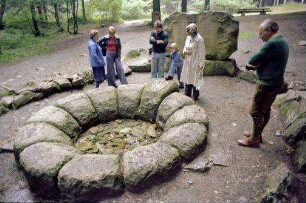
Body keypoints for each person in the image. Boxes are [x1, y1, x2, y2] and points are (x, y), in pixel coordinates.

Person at [238, 19, 289, 148]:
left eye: (261, 33)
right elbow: (270, 61)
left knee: (256, 111)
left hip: (266, 83)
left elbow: (253, 59)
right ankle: (257, 133)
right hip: (276, 82)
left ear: (269, 31)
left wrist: (254, 64)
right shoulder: (282, 40)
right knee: (265, 109)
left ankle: (254, 139)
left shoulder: (272, 44)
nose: (259, 35)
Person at [180, 23, 206, 101]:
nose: (187, 33)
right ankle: (187, 94)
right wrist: (184, 51)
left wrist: (201, 64)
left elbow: (202, 52)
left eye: (188, 32)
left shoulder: (200, 39)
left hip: (195, 62)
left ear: (192, 32)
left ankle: (195, 96)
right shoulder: (188, 37)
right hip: (188, 61)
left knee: (195, 78)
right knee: (188, 77)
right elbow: (185, 47)